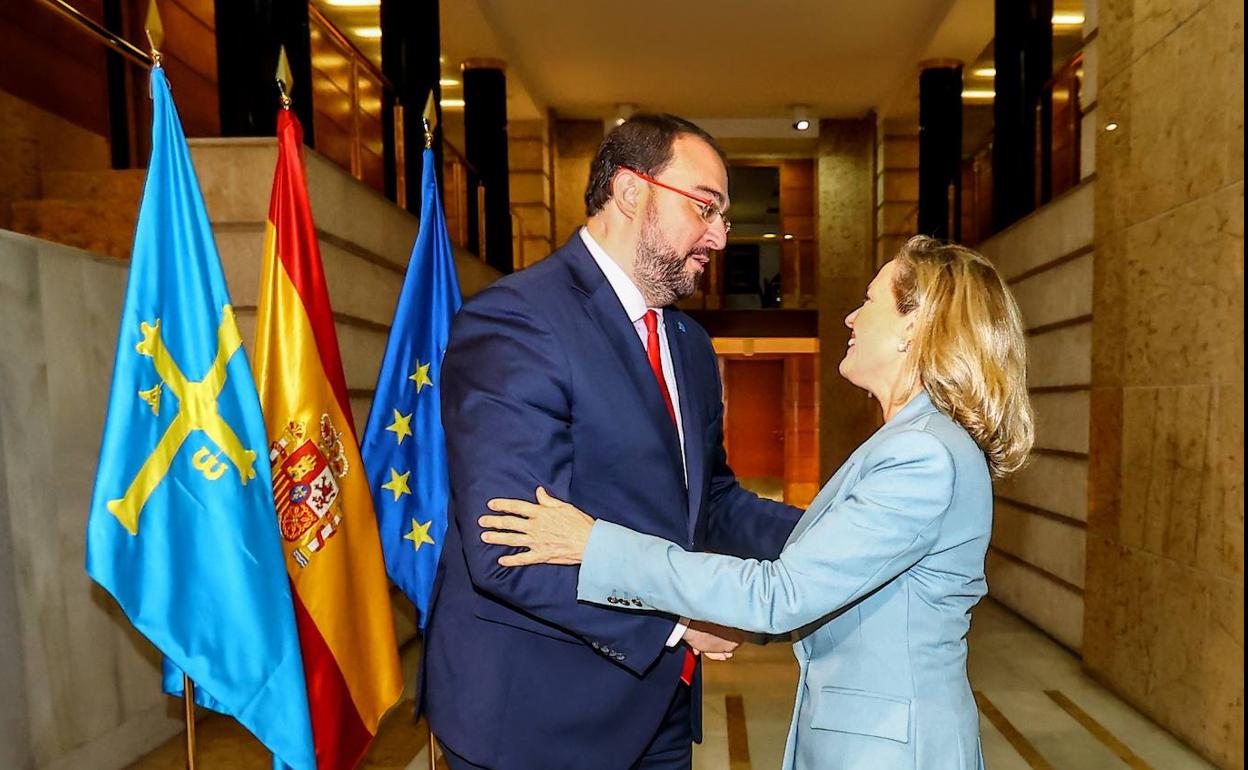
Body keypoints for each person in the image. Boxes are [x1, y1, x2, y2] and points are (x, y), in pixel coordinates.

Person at [478, 236, 1035, 770]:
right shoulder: (918, 440)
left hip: (889, 749)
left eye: (868, 302)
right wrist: (717, 619)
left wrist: (593, 544)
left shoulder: (922, 454)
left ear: (913, 326)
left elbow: (782, 593)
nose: (850, 318)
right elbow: (835, 582)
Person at [422, 114, 805, 770]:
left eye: (725, 217)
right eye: (705, 207)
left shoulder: (687, 344)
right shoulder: (516, 321)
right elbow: (509, 548)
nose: (719, 235)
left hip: (659, 707)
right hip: (536, 721)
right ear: (632, 192)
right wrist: (680, 623)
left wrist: (837, 531)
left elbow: (709, 503)